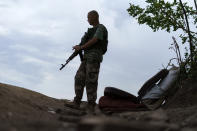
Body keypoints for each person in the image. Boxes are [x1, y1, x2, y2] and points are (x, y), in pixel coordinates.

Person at [66, 10, 108, 112]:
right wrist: (79, 48)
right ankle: (77, 102)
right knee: (79, 78)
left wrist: (81, 47)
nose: (87, 19)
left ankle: (91, 105)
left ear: (95, 17)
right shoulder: (89, 31)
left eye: (88, 17)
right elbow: (85, 43)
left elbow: (95, 40)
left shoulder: (101, 28)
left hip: (94, 57)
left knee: (91, 80)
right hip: (86, 58)